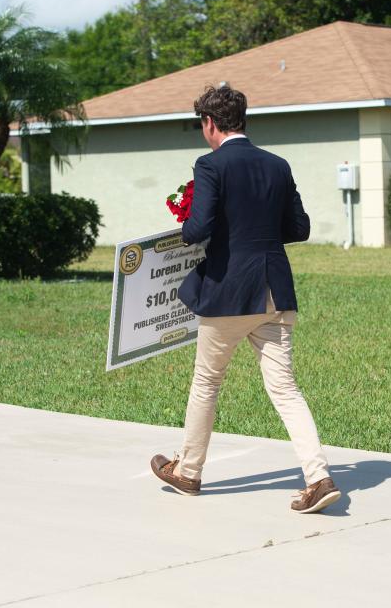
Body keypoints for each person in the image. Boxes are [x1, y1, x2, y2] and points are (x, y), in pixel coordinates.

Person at [150, 84, 341, 515]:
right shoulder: (278, 165)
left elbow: (197, 230)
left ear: (209, 123)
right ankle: (318, 477)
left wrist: (192, 224)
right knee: (286, 389)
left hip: (230, 293)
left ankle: (189, 472)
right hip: (275, 290)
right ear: (243, 121)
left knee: (207, 383)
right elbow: (299, 228)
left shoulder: (210, 164)